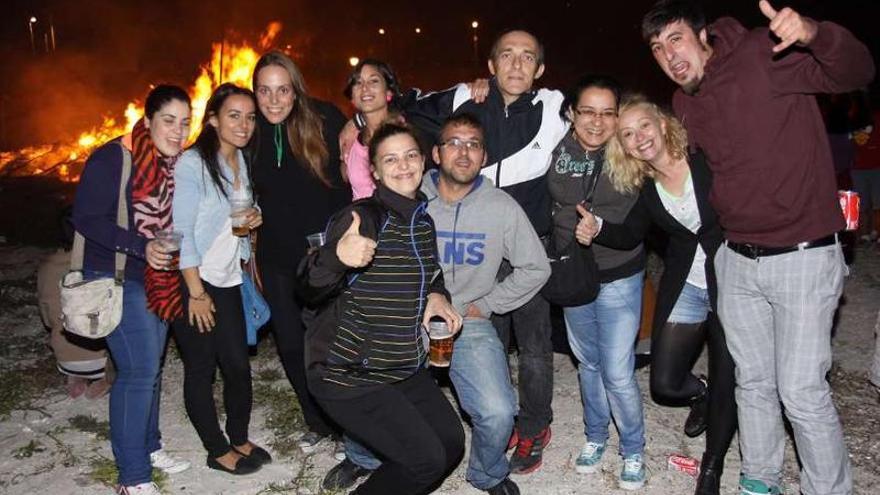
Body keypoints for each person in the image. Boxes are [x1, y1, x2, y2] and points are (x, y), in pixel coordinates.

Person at [642, 1, 875, 494]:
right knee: (752, 382)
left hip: (802, 252)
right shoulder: (684, 103)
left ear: (703, 34)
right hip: (737, 259)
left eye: (676, 39)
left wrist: (814, 31)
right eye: (658, 48)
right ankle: (760, 478)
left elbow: (856, 70)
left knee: (802, 391)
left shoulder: (761, 52)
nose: (669, 55)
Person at [326, 114, 551, 495]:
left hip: (463, 320)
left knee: (498, 411)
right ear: (435, 153)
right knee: (370, 389)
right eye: (453, 143)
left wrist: (488, 303)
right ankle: (361, 456)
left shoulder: (501, 207)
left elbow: (536, 266)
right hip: (399, 319)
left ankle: (487, 472)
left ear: (484, 156)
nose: (463, 153)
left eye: (473, 144)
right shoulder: (410, 193)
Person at [400, 29, 568, 473]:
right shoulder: (464, 99)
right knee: (491, 342)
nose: (516, 65)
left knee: (534, 348)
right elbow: (404, 108)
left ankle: (533, 427)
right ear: (490, 66)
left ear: (540, 69)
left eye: (527, 57)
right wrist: (354, 127)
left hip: (529, 245)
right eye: (506, 56)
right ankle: (497, 419)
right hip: (479, 252)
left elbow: (600, 127)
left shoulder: (554, 108)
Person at [579, 95, 737, 495]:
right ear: (625, 147)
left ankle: (712, 466)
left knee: (728, 375)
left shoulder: (706, 162)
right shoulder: (647, 189)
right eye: (628, 134)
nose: (639, 137)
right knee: (664, 383)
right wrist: (598, 226)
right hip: (687, 282)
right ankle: (699, 392)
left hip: (734, 281)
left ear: (663, 124)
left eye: (644, 126)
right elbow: (632, 232)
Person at [298, 123, 465, 495]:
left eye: (410, 155)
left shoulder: (422, 221)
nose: (403, 165)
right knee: (425, 461)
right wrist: (336, 258)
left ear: (424, 161)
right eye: (390, 159)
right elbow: (308, 286)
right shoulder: (365, 218)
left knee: (451, 444)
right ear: (374, 170)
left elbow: (429, 274)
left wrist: (437, 295)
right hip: (348, 372)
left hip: (401, 364)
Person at [72, 84, 193, 495]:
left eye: (185, 122)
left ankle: (149, 446)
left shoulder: (175, 164)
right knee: (139, 370)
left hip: (158, 280)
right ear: (147, 121)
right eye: (168, 121)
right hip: (115, 277)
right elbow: (86, 218)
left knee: (152, 369)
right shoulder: (113, 158)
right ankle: (133, 477)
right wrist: (142, 245)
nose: (178, 131)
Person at [546, 75, 647, 490]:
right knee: (587, 363)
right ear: (572, 112)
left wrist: (601, 228)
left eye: (608, 113)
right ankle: (595, 435)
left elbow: (642, 223)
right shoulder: (553, 146)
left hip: (619, 272)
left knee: (617, 370)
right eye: (588, 110)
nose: (597, 121)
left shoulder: (630, 152)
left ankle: (634, 448)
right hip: (573, 271)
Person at [250, 50, 350, 452]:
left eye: (283, 90)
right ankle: (316, 420)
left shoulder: (324, 119)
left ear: (296, 91)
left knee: (331, 341)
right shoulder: (250, 130)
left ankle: (346, 423)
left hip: (322, 255)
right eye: (264, 91)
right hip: (275, 257)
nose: (274, 100)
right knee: (290, 344)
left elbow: (369, 140)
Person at [172, 83, 269, 475]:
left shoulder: (241, 159)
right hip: (194, 281)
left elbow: (237, 209)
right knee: (200, 368)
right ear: (212, 119)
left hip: (229, 278)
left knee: (237, 365)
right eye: (234, 115)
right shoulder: (192, 163)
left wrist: (254, 216)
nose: (244, 124)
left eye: (249, 116)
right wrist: (195, 293)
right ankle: (216, 449)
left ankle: (239, 436)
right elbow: (181, 232)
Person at [37, 206, 112, 400]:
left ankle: (76, 376)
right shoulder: (101, 262)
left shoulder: (47, 267)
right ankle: (105, 379)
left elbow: (46, 320)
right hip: (100, 356)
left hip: (65, 358)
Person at [343, 59, 404, 200]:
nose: (365, 88)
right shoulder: (350, 138)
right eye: (358, 82)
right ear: (352, 97)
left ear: (388, 92)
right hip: (362, 219)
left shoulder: (404, 131)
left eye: (374, 81)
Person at [852, 104, 880, 244]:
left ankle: (870, 233)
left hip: (870, 167)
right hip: (861, 167)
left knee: (871, 204)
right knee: (869, 204)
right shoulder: (852, 118)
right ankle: (868, 233)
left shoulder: (854, 118)